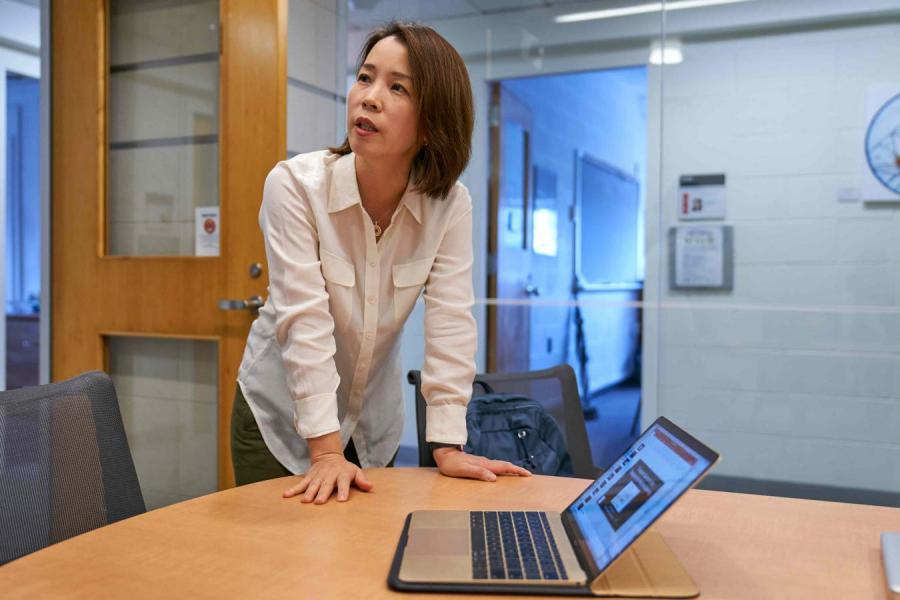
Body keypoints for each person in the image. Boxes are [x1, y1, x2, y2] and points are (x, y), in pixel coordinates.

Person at [232, 21, 530, 505]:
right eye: (365, 78)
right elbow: (304, 321)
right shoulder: (295, 186)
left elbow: (451, 323)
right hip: (281, 420)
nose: (369, 98)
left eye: (397, 88)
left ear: (434, 121)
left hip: (373, 423)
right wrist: (326, 452)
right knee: (280, 567)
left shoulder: (450, 206)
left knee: (362, 564)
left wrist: (448, 446)